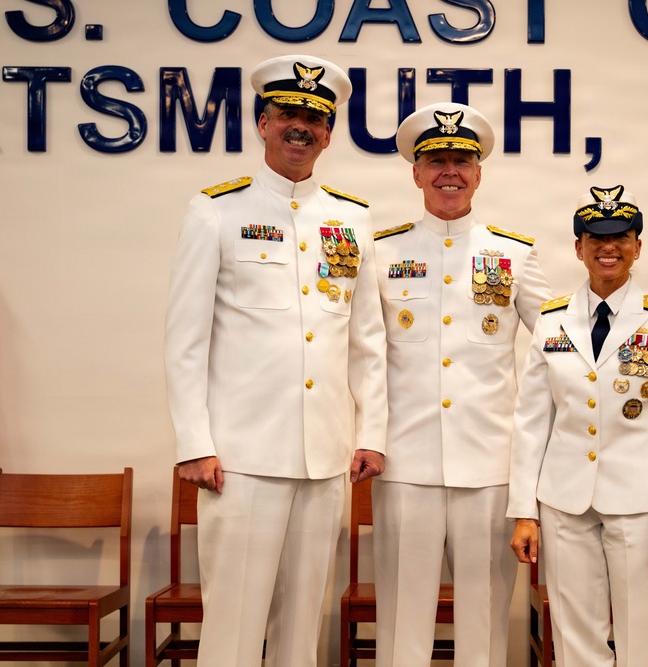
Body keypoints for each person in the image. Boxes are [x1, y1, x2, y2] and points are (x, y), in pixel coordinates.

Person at [163, 54, 388, 667]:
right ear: (262, 122)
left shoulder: (353, 219)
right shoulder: (217, 209)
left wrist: (371, 434)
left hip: (324, 457)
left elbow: (367, 341)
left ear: (330, 133)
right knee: (233, 625)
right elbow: (186, 339)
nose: (301, 127)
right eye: (288, 113)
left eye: (314, 118)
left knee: (302, 626)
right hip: (239, 459)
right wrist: (194, 443)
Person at [369, 102, 554, 667]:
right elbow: (354, 349)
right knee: (402, 618)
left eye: (462, 159)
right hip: (405, 464)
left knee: (487, 618)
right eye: (437, 160)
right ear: (417, 172)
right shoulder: (381, 251)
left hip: (490, 467)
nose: (450, 170)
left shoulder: (513, 253)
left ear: (479, 172)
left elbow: (560, 337)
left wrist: (639, 347)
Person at [508, 185, 648, 667]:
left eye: (621, 236)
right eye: (595, 237)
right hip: (564, 500)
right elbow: (532, 420)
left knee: (642, 638)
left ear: (638, 246)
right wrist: (525, 510)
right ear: (578, 248)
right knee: (574, 639)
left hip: (642, 505)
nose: (608, 247)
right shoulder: (553, 321)